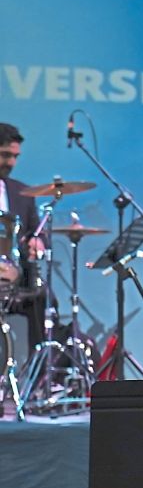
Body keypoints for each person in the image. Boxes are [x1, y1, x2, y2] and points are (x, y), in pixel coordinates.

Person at [0, 122, 49, 355]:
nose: (11, 163)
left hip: (13, 283)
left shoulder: (22, 193)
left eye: (15, 156)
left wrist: (37, 242)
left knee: (43, 298)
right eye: (5, 155)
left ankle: (40, 377)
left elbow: (35, 232)